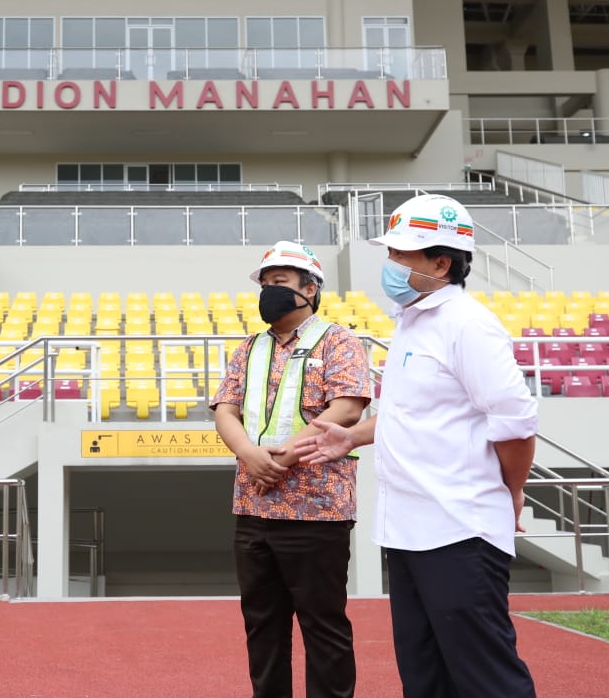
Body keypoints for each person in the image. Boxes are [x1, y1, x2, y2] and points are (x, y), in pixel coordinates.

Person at [294, 194, 539, 698]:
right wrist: (351, 435)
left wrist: (511, 490)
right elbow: (408, 414)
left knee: (485, 678)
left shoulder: (467, 325)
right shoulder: (411, 323)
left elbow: (515, 422)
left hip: (459, 530)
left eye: (401, 256)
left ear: (441, 263)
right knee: (425, 677)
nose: (390, 266)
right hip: (408, 533)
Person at [212, 241, 372, 698]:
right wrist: (249, 454)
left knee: (324, 628)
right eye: (264, 283)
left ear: (310, 288)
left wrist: (282, 456)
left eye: (278, 282)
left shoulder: (339, 341)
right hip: (253, 507)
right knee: (262, 627)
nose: (268, 291)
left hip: (317, 511)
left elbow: (346, 410)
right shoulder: (249, 347)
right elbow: (226, 409)